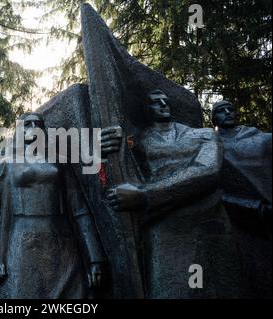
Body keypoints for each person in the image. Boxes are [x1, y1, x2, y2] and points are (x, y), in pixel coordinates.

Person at [101, 90, 241, 298]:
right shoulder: (135, 142)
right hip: (165, 231)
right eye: (156, 102)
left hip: (208, 226)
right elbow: (107, 179)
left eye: (165, 101)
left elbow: (207, 171)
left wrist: (144, 195)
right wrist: (104, 153)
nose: (163, 105)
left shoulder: (204, 135)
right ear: (145, 111)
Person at [0, 112, 107, 298]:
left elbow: (80, 210)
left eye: (38, 123)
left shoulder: (60, 161)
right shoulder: (6, 163)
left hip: (63, 245)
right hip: (22, 246)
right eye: (27, 123)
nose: (33, 127)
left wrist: (94, 258)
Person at [212, 100, 272, 297]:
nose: (228, 112)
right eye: (221, 111)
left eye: (231, 109)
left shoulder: (259, 137)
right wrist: (254, 207)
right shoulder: (211, 145)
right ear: (214, 118)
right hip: (241, 217)